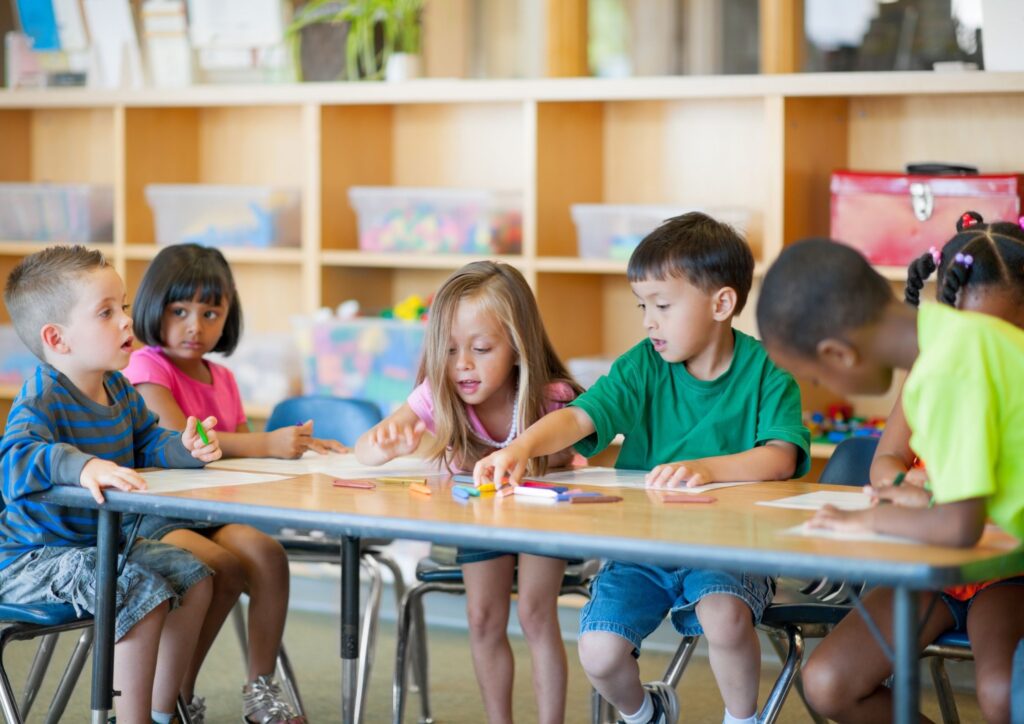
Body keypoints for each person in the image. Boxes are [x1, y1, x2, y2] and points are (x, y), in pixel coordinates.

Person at [476, 213, 810, 724]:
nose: (648, 321)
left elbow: (781, 456)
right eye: (643, 306)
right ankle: (646, 713)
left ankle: (742, 719)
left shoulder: (768, 372)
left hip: (727, 546)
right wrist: (520, 449)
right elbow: (580, 416)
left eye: (662, 306)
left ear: (722, 303)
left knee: (722, 616)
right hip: (644, 548)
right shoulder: (643, 365)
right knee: (600, 651)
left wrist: (704, 468)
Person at [756, 233, 1024, 724]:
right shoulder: (948, 344)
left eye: (815, 377)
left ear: (838, 354)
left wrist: (866, 523)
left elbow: (961, 526)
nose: (823, 388)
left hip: (1005, 564)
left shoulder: (952, 367)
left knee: (1003, 698)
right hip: (960, 560)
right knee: (830, 681)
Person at [355, 261, 582, 724]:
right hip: (481, 516)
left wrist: (550, 454)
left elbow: (580, 456)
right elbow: (367, 448)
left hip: (541, 512)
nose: (462, 365)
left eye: (481, 348)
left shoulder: (550, 399)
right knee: (482, 618)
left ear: (519, 348)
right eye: (451, 349)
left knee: (538, 616)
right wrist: (384, 446)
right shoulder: (438, 396)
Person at [0, 245, 217, 723]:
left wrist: (183, 449)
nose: (126, 321)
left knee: (195, 577)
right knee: (138, 590)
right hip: (31, 560)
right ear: (58, 339)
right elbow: (14, 458)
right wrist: (83, 466)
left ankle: (164, 713)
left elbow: (147, 443)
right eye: (106, 312)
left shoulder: (118, 388)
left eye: (122, 306)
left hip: (97, 546)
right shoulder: (43, 396)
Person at [122, 244, 330, 723]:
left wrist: (296, 451)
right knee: (216, 567)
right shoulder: (148, 366)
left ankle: (260, 689)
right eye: (180, 310)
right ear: (154, 307)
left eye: (210, 311)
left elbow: (235, 459)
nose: (195, 325)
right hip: (155, 515)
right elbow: (183, 440)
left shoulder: (223, 377)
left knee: (267, 555)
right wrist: (268, 444)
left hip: (211, 511)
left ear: (228, 316)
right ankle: (176, 697)